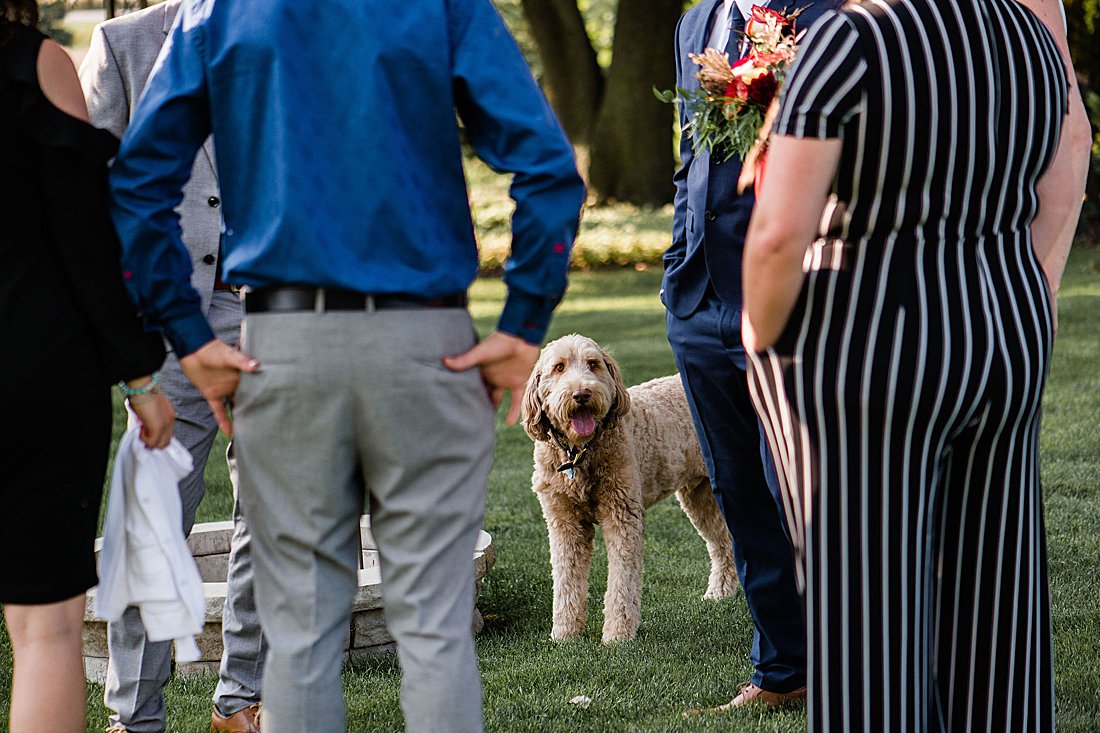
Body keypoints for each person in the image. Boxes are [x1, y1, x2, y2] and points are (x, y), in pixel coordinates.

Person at [107, 1, 586, 731]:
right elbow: (547, 167)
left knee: (298, 638)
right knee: (434, 630)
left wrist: (186, 332)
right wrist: (523, 324)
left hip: (283, 344)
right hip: (427, 341)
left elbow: (138, 181)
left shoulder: (220, 10)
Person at [742, 0, 1092, 729]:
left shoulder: (851, 42)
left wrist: (759, 333)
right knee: (996, 603)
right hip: (1004, 326)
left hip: (875, 345)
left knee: (868, 620)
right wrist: (1028, 292)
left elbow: (778, 233)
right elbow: (1064, 163)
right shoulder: (1029, 40)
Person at [78, 3, 266, 731]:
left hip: (279, 308)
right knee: (154, 514)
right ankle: (136, 715)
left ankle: (242, 701)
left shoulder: (292, 31)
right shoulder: (124, 45)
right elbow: (96, 197)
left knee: (275, 517)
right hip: (169, 317)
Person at [0, 1, 174, 731]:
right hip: (32, 370)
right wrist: (139, 374)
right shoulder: (31, 62)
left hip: (34, 370)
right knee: (46, 630)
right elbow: (86, 240)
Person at [664, 0, 840, 710]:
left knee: (808, 492)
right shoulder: (695, 20)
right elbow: (690, 152)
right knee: (738, 490)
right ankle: (783, 668)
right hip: (701, 296)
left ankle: (858, 664)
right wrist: (680, 260)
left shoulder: (832, 14)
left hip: (798, 291)